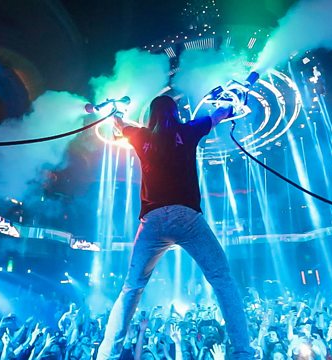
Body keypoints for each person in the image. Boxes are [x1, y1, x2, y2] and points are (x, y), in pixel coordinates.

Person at [96, 95, 252, 359]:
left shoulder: (140, 135)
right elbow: (219, 115)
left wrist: (112, 110)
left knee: (132, 287)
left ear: (151, 114)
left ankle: (106, 355)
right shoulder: (188, 129)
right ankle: (243, 353)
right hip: (187, 217)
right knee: (222, 280)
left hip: (153, 221)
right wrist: (234, 101)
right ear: (175, 112)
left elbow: (119, 123)